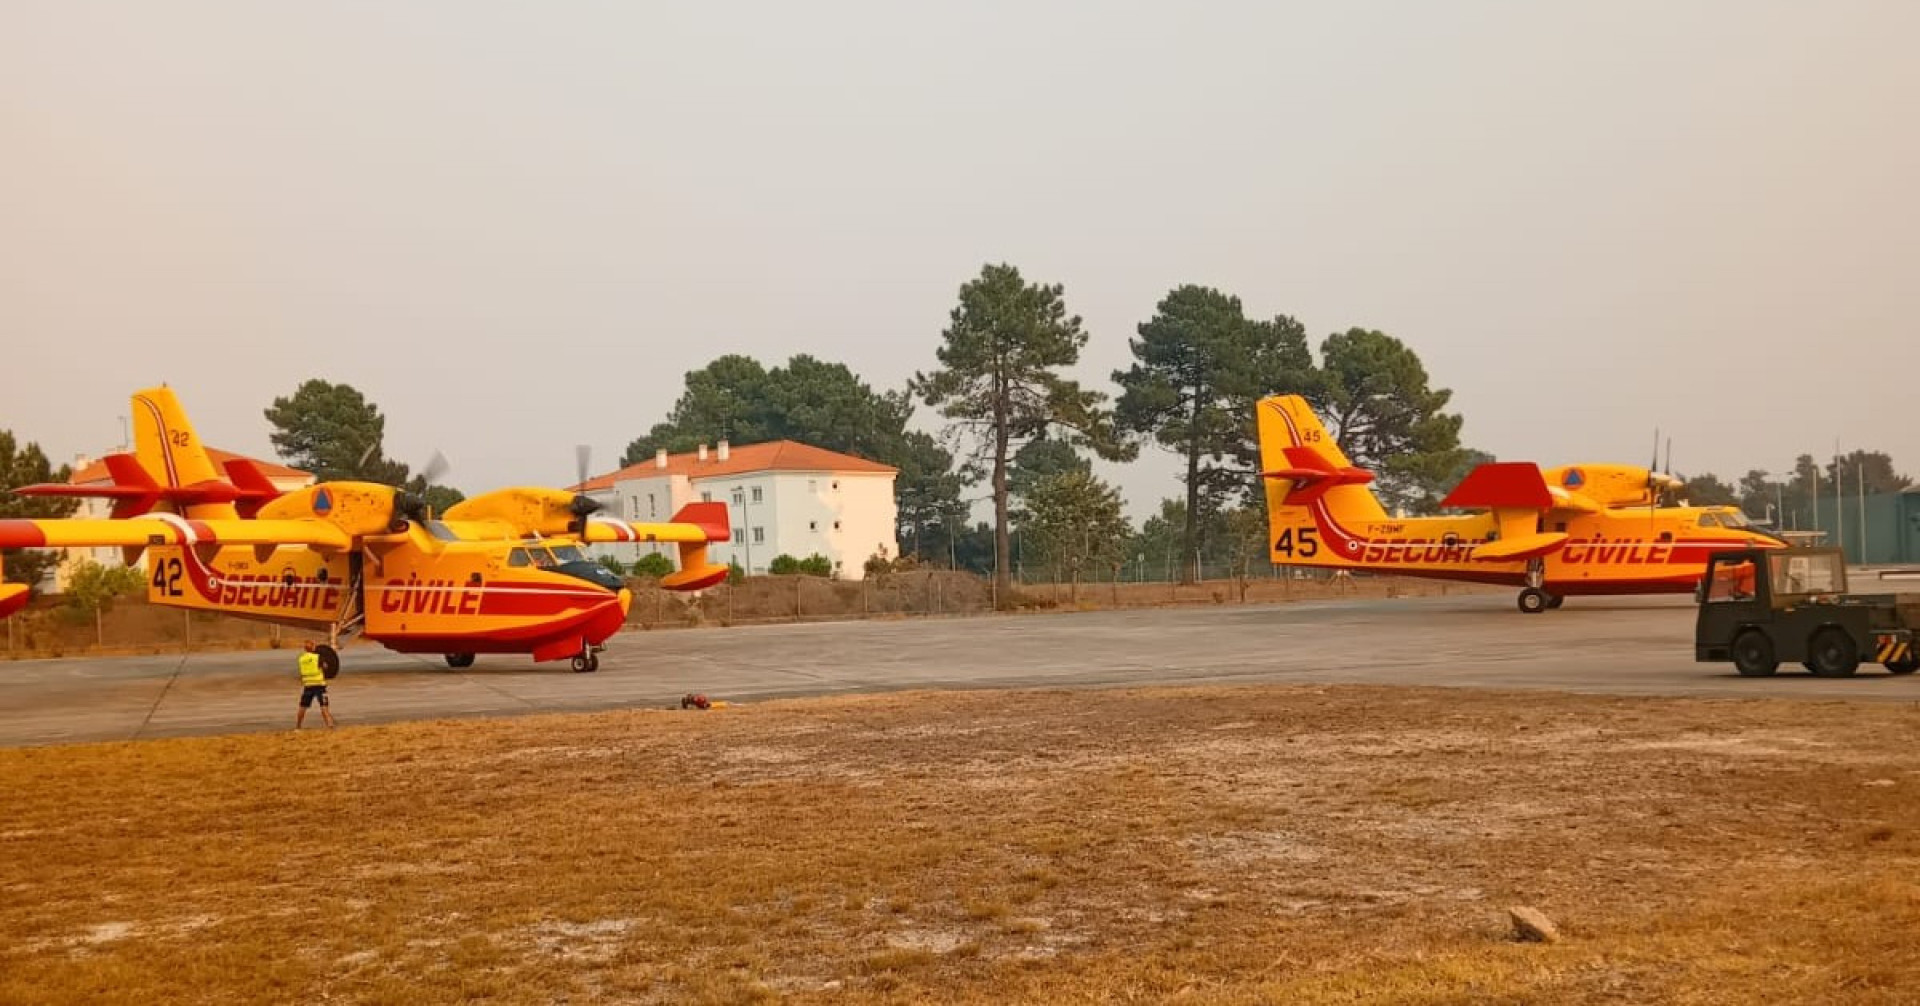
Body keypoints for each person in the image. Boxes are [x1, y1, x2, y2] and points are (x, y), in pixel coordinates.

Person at [296, 640, 335, 729]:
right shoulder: (317, 657)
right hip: (319, 685)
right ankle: (329, 725)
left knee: (303, 706)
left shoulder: (301, 659)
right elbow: (325, 667)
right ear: (313, 647)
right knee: (324, 706)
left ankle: (298, 726)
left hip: (308, 685)